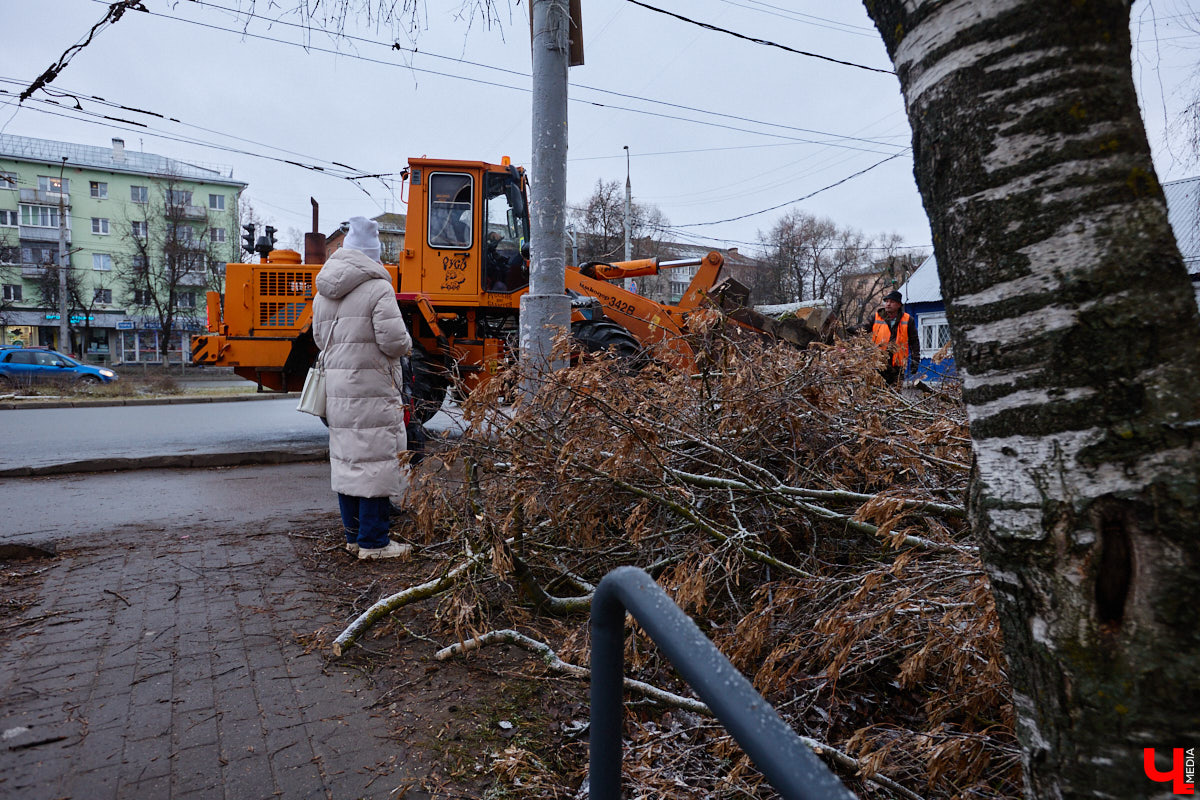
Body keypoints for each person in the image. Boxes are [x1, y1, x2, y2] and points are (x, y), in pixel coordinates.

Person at [313, 216, 414, 560]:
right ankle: (375, 543)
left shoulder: (323, 291)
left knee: (348, 458)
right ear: (373, 256)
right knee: (375, 459)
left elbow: (318, 338)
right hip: (371, 386)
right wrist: (408, 343)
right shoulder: (378, 288)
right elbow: (394, 342)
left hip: (339, 389)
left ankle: (353, 536)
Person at [871, 289, 920, 386]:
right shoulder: (877, 317)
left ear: (899, 305)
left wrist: (915, 361)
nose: (888, 304)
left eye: (892, 302)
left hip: (897, 366)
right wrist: (849, 330)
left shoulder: (908, 320)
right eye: (887, 301)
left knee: (894, 393)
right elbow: (862, 328)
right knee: (876, 393)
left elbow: (914, 342)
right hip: (878, 363)